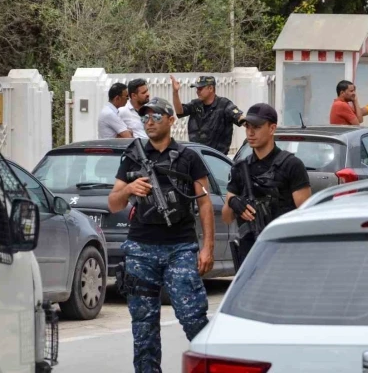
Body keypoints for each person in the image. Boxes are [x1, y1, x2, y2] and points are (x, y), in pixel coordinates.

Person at [108, 97, 214, 373]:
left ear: (171, 120)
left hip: (180, 247)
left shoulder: (189, 158)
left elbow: (204, 202)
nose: (150, 121)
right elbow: (113, 203)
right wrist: (130, 188)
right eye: (145, 117)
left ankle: (215, 366)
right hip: (141, 248)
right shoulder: (133, 156)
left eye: (156, 116)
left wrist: (207, 248)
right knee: (143, 329)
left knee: (193, 318)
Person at [222, 103, 311, 265]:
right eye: (247, 126)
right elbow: (227, 217)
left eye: (256, 127)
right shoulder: (240, 168)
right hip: (249, 255)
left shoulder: (291, 165)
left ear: (272, 129)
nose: (250, 132)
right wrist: (234, 203)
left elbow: (305, 216)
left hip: (283, 251)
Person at [170, 75, 244, 155]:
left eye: (200, 89)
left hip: (216, 158)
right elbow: (180, 111)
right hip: (197, 156)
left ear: (211, 88)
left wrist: (249, 123)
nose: (197, 91)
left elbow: (239, 117)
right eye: (197, 89)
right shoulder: (195, 104)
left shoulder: (224, 104)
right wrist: (175, 92)